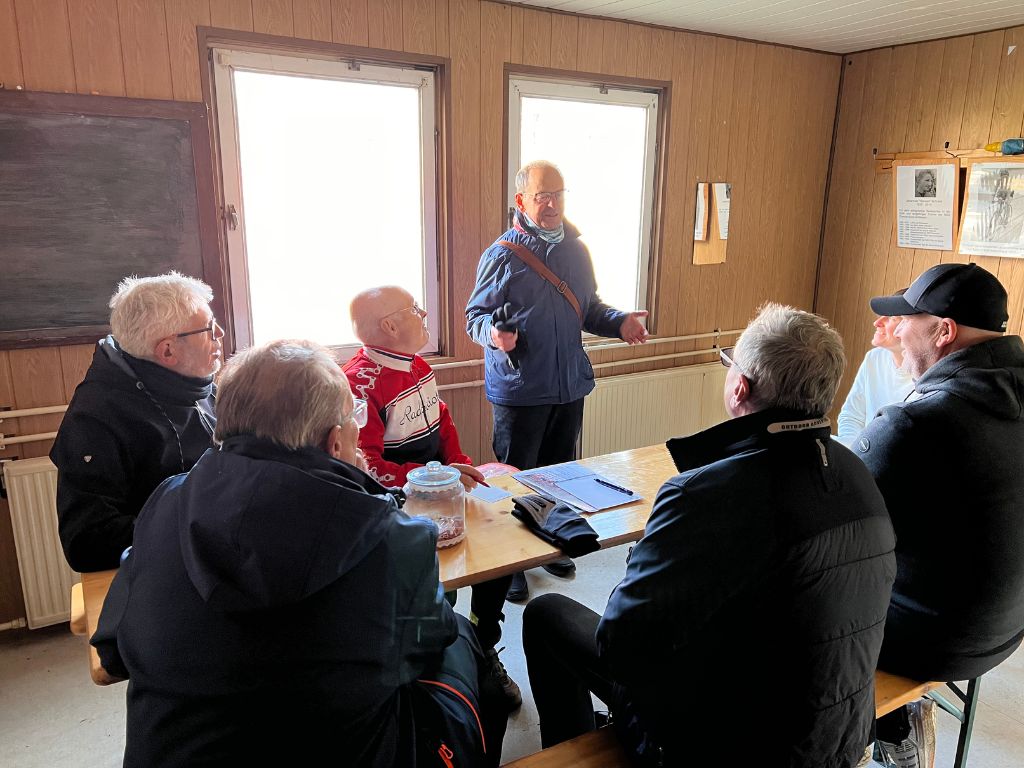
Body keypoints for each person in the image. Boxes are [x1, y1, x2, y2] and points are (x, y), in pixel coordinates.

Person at [91, 340, 504, 767]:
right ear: (334, 443)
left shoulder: (167, 502)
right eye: (353, 417)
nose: (358, 426)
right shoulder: (393, 538)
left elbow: (113, 649)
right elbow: (424, 646)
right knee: (459, 635)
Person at [523, 303, 896, 767]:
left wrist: (644, 564)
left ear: (740, 386)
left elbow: (621, 646)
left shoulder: (703, 494)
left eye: (728, 362)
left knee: (546, 614)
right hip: (839, 737)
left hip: (727, 746)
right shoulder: (858, 472)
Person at [857, 264, 1024, 756]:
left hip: (933, 641)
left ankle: (876, 730)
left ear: (944, 331)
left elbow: (829, 520)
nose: (897, 331)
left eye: (907, 319)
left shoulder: (916, 425)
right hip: (1006, 628)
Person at [465, 160, 648, 601]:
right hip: (520, 388)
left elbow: (589, 309)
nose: (551, 204)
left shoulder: (577, 250)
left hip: (568, 385)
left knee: (559, 474)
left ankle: (550, 544)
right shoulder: (501, 254)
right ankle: (510, 561)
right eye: (541, 195)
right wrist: (494, 334)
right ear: (521, 201)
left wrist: (619, 322)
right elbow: (475, 317)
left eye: (558, 194)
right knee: (514, 477)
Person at [344, 285, 522, 711]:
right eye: (415, 309)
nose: (424, 314)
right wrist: (430, 479)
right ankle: (443, 661)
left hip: (442, 485)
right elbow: (364, 464)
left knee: (498, 546)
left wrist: (459, 465)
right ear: (389, 325)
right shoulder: (358, 381)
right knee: (439, 590)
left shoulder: (419, 365)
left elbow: (442, 421)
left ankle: (483, 641)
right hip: (402, 501)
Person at [50, 272, 221, 572]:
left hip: (214, 557)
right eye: (208, 329)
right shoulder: (94, 418)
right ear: (167, 350)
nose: (219, 334)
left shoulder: (205, 388)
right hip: (152, 575)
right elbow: (86, 542)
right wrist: (202, 527)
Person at [836, 292, 914, 446]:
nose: (877, 322)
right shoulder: (874, 357)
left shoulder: (928, 375)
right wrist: (856, 454)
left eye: (892, 318)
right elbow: (852, 416)